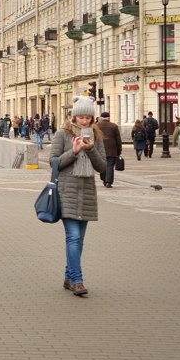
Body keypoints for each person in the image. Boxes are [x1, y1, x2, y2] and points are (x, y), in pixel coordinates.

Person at [50, 96, 106, 297]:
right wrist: (73, 152)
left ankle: (68, 276)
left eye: (88, 118)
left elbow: (102, 168)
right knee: (73, 237)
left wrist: (90, 149)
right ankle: (77, 280)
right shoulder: (62, 134)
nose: (84, 121)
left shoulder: (96, 137)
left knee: (79, 240)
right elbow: (54, 162)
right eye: (81, 117)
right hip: (67, 191)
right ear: (73, 116)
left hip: (88, 193)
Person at [96, 111, 122, 188]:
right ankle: (108, 181)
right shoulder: (114, 126)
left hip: (100, 150)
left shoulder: (96, 126)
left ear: (101, 117)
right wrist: (119, 150)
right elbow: (118, 140)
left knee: (102, 165)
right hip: (112, 149)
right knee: (110, 166)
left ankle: (104, 179)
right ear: (108, 117)